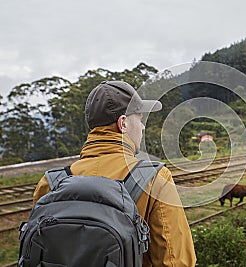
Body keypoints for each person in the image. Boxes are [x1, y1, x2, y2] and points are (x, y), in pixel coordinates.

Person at [33, 80, 197, 267]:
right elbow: (176, 262)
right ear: (123, 123)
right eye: (140, 119)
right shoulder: (155, 179)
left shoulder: (51, 182)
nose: (142, 127)